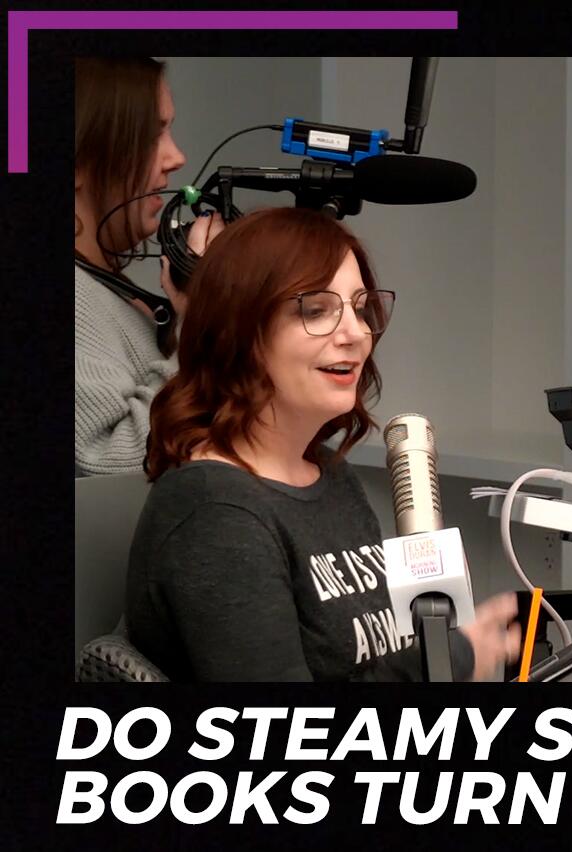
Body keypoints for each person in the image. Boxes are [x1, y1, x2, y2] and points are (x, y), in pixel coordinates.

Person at [125, 207, 522, 681]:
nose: (356, 333)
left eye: (359, 307)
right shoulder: (213, 512)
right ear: (240, 331)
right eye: (316, 310)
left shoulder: (331, 475)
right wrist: (451, 661)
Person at [74, 57, 221, 476]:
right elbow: (108, 461)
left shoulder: (106, 290)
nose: (177, 157)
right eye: (152, 135)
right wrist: (202, 319)